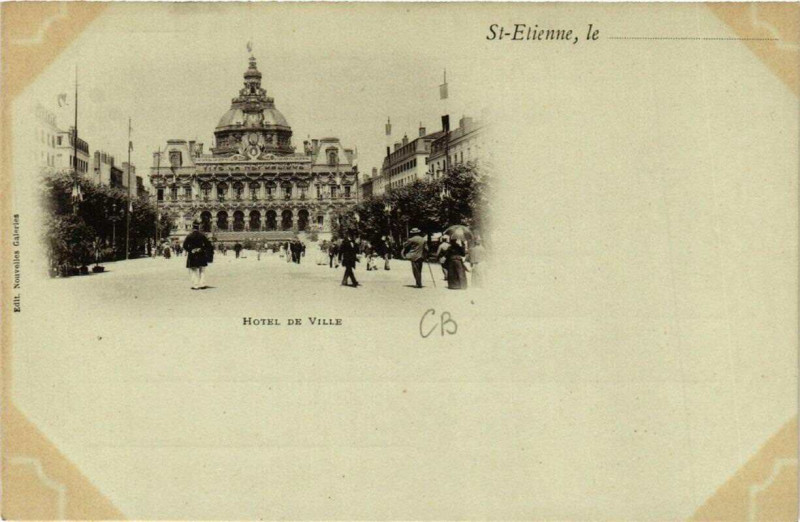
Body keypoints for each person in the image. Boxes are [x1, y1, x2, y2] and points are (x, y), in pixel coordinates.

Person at [183, 221, 213, 290]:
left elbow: (184, 246)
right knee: (202, 270)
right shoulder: (202, 236)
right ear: (198, 227)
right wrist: (201, 249)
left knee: (193, 270)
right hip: (201, 254)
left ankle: (195, 285)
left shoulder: (189, 236)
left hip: (192, 255)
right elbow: (208, 245)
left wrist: (191, 250)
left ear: (192, 227)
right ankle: (202, 284)